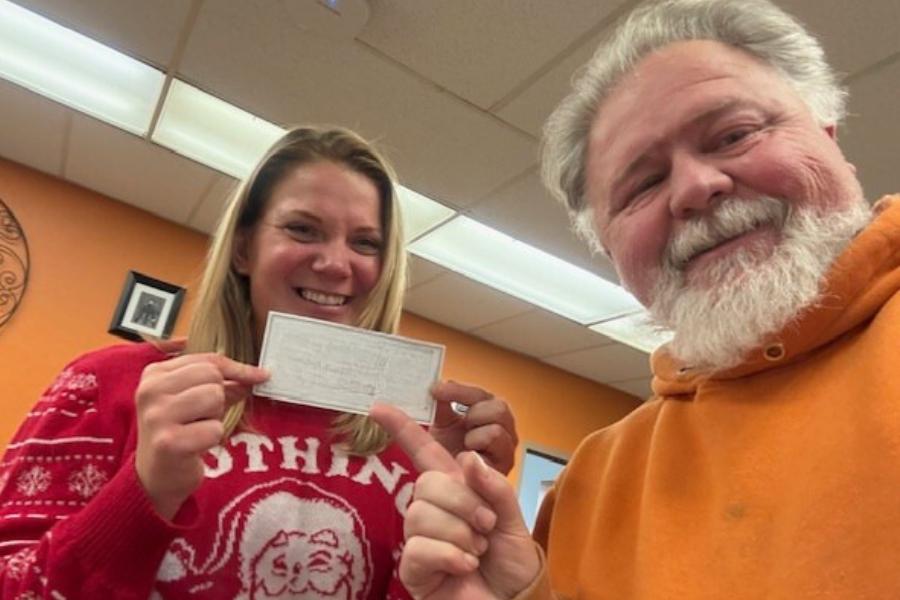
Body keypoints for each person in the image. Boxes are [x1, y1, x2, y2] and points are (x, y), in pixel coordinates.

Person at [369, 0, 900, 598]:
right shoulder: (592, 483)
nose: (695, 187)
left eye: (734, 134)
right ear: (610, 250)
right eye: (643, 184)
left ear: (829, 139)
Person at [0, 126, 518, 599]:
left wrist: (463, 533)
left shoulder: (414, 443)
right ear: (244, 249)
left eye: (365, 242)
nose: (335, 263)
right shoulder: (105, 385)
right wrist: (143, 492)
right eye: (303, 229)